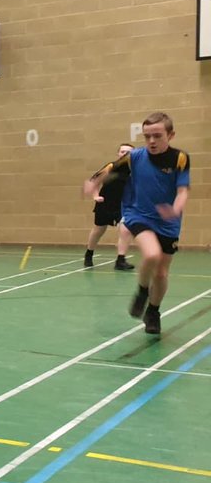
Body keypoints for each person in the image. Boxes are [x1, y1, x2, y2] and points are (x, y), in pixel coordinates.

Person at [84, 112, 190, 335]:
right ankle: (142, 291)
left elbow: (182, 191)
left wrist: (175, 209)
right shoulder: (135, 157)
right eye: (147, 136)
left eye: (157, 136)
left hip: (168, 222)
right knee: (152, 255)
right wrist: (92, 185)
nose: (151, 141)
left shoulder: (180, 158)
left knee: (161, 273)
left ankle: (153, 311)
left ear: (170, 135)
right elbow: (109, 169)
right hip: (138, 214)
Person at [84, 143, 135, 270]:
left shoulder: (135, 170)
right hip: (105, 202)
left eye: (128, 152)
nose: (125, 154)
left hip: (123, 204)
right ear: (118, 154)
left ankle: (120, 260)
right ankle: (89, 254)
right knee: (99, 230)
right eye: (122, 151)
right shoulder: (111, 166)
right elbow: (94, 181)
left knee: (125, 230)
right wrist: (95, 196)